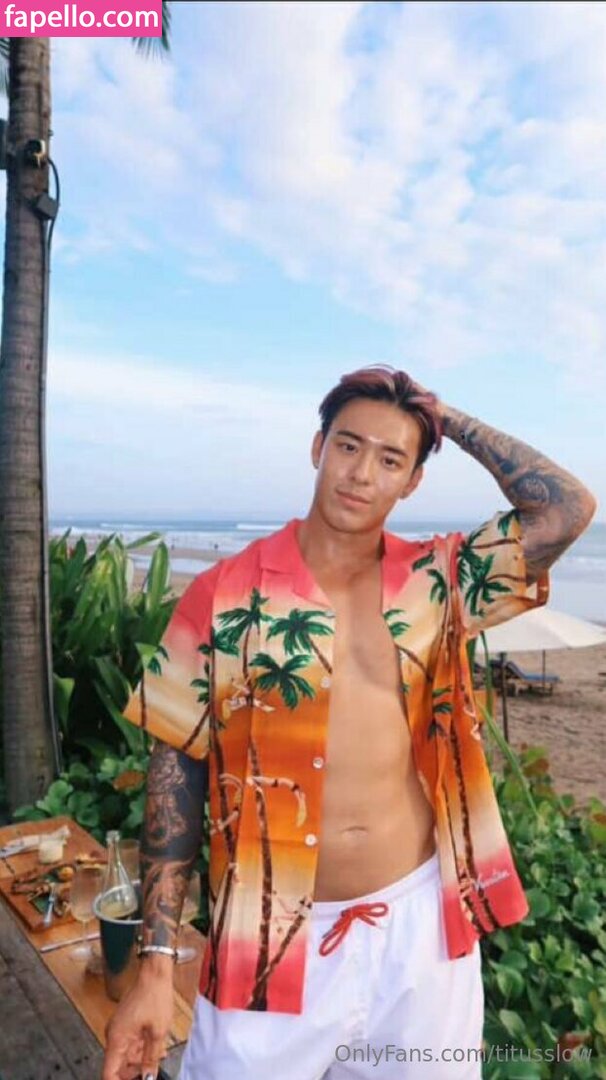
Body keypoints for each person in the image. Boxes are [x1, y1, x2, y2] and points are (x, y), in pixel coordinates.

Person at [102, 367, 596, 1080]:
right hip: (264, 936)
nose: (362, 474)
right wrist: (154, 966)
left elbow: (567, 509)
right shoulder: (224, 596)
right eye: (349, 446)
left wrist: (443, 418)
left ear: (413, 482)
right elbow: (175, 768)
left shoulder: (438, 581)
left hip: (420, 931)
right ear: (318, 448)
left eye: (391, 459)